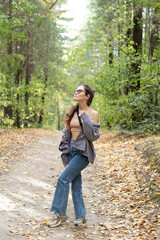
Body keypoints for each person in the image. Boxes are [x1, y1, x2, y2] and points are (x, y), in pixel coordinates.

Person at [47, 84, 100, 228]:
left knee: (63, 179)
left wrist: (85, 118)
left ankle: (59, 214)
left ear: (87, 96)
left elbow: (93, 136)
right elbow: (65, 134)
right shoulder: (71, 111)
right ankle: (80, 216)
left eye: (79, 91)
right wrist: (64, 154)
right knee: (75, 184)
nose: (75, 92)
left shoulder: (93, 114)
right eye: (75, 90)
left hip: (82, 152)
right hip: (70, 149)